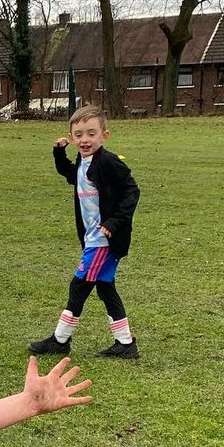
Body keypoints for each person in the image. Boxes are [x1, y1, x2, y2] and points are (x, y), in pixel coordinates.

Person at [30, 104, 141, 359]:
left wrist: (113, 223)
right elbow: (72, 175)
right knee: (105, 288)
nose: (85, 140)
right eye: (78, 135)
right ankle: (125, 343)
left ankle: (60, 340)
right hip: (92, 237)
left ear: (104, 135)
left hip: (103, 240)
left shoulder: (108, 162)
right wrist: (59, 154)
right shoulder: (84, 160)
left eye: (91, 133)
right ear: (71, 137)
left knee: (79, 285)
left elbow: (132, 191)